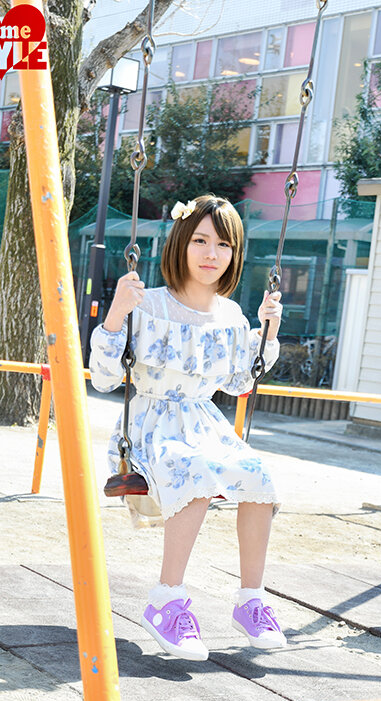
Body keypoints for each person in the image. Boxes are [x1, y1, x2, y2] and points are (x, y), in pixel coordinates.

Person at [89, 194, 286, 661]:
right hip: (152, 423)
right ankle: (166, 600)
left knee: (260, 479)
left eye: (223, 244)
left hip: (204, 422)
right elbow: (103, 378)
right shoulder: (148, 304)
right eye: (200, 240)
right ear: (181, 243)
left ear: (234, 254)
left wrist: (268, 333)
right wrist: (116, 313)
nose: (211, 253)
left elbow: (240, 383)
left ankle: (251, 600)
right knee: (194, 471)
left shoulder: (231, 315)